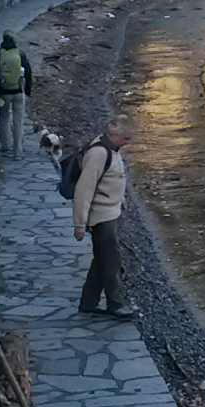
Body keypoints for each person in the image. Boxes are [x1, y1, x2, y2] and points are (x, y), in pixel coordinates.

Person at [72, 114, 137, 320]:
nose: (129, 143)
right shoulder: (99, 154)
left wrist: (121, 199)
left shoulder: (112, 150)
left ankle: (88, 303)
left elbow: (114, 178)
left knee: (101, 258)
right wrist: (80, 224)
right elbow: (84, 189)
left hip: (110, 211)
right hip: (101, 216)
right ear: (114, 134)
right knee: (112, 259)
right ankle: (116, 304)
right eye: (126, 138)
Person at [0, 30, 32, 159]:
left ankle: (5, 146)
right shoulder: (20, 54)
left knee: (4, 118)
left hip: (3, 93)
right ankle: (18, 152)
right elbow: (28, 73)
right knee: (18, 122)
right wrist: (27, 90)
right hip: (18, 92)